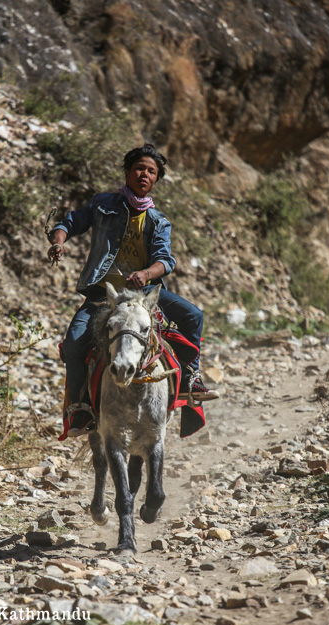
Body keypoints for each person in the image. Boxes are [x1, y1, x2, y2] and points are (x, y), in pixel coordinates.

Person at [47, 143, 219, 436]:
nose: (145, 174)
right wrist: (59, 241)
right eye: (140, 168)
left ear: (155, 180)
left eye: (151, 172)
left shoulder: (158, 220)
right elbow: (69, 222)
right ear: (127, 171)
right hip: (103, 296)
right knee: (74, 343)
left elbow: (166, 261)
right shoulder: (103, 205)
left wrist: (146, 273)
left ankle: (191, 381)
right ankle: (79, 409)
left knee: (193, 316)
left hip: (144, 296)